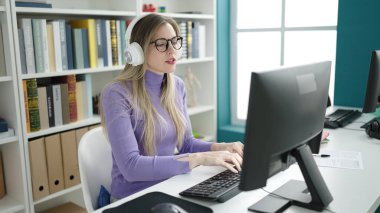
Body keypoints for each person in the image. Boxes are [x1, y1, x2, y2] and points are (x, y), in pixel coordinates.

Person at [100, 13, 244, 200]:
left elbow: (187, 144)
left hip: (171, 185)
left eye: (175, 41)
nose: (172, 50)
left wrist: (224, 147)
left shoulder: (177, 86)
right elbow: (131, 167)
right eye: (161, 43)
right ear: (138, 51)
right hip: (133, 197)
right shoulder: (116, 93)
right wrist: (199, 159)